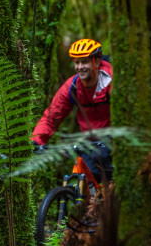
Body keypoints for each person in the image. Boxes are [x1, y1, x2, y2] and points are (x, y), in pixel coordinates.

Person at [31, 38, 113, 182]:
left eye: (85, 62)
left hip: (115, 142)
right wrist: (36, 141)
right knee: (84, 184)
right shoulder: (72, 87)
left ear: (97, 62)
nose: (80, 67)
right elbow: (51, 118)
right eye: (77, 62)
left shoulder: (111, 81)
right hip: (89, 144)